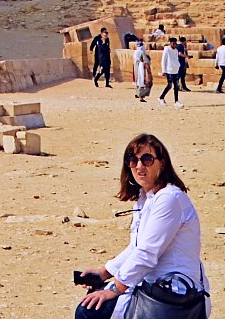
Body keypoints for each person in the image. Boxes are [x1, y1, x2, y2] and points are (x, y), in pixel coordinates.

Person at [74, 133, 210, 316]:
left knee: (90, 312)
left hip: (174, 293)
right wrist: (103, 273)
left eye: (147, 159)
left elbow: (147, 253)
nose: (139, 166)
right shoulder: (146, 199)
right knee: (92, 302)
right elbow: (136, 248)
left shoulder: (169, 199)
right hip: (152, 284)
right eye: (133, 160)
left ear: (162, 163)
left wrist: (115, 289)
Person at [158, 38, 182, 105]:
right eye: (173, 43)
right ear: (170, 43)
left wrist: (178, 66)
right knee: (169, 85)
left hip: (175, 70)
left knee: (176, 86)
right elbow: (164, 60)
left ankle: (176, 101)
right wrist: (163, 70)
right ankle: (161, 97)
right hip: (169, 70)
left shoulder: (176, 50)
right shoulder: (167, 49)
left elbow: (176, 59)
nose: (175, 45)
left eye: (175, 43)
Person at [131, 37, 152, 101]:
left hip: (135, 67)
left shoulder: (135, 52)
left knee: (137, 81)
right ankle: (141, 96)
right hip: (141, 68)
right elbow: (147, 61)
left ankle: (137, 93)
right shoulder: (141, 52)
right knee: (142, 81)